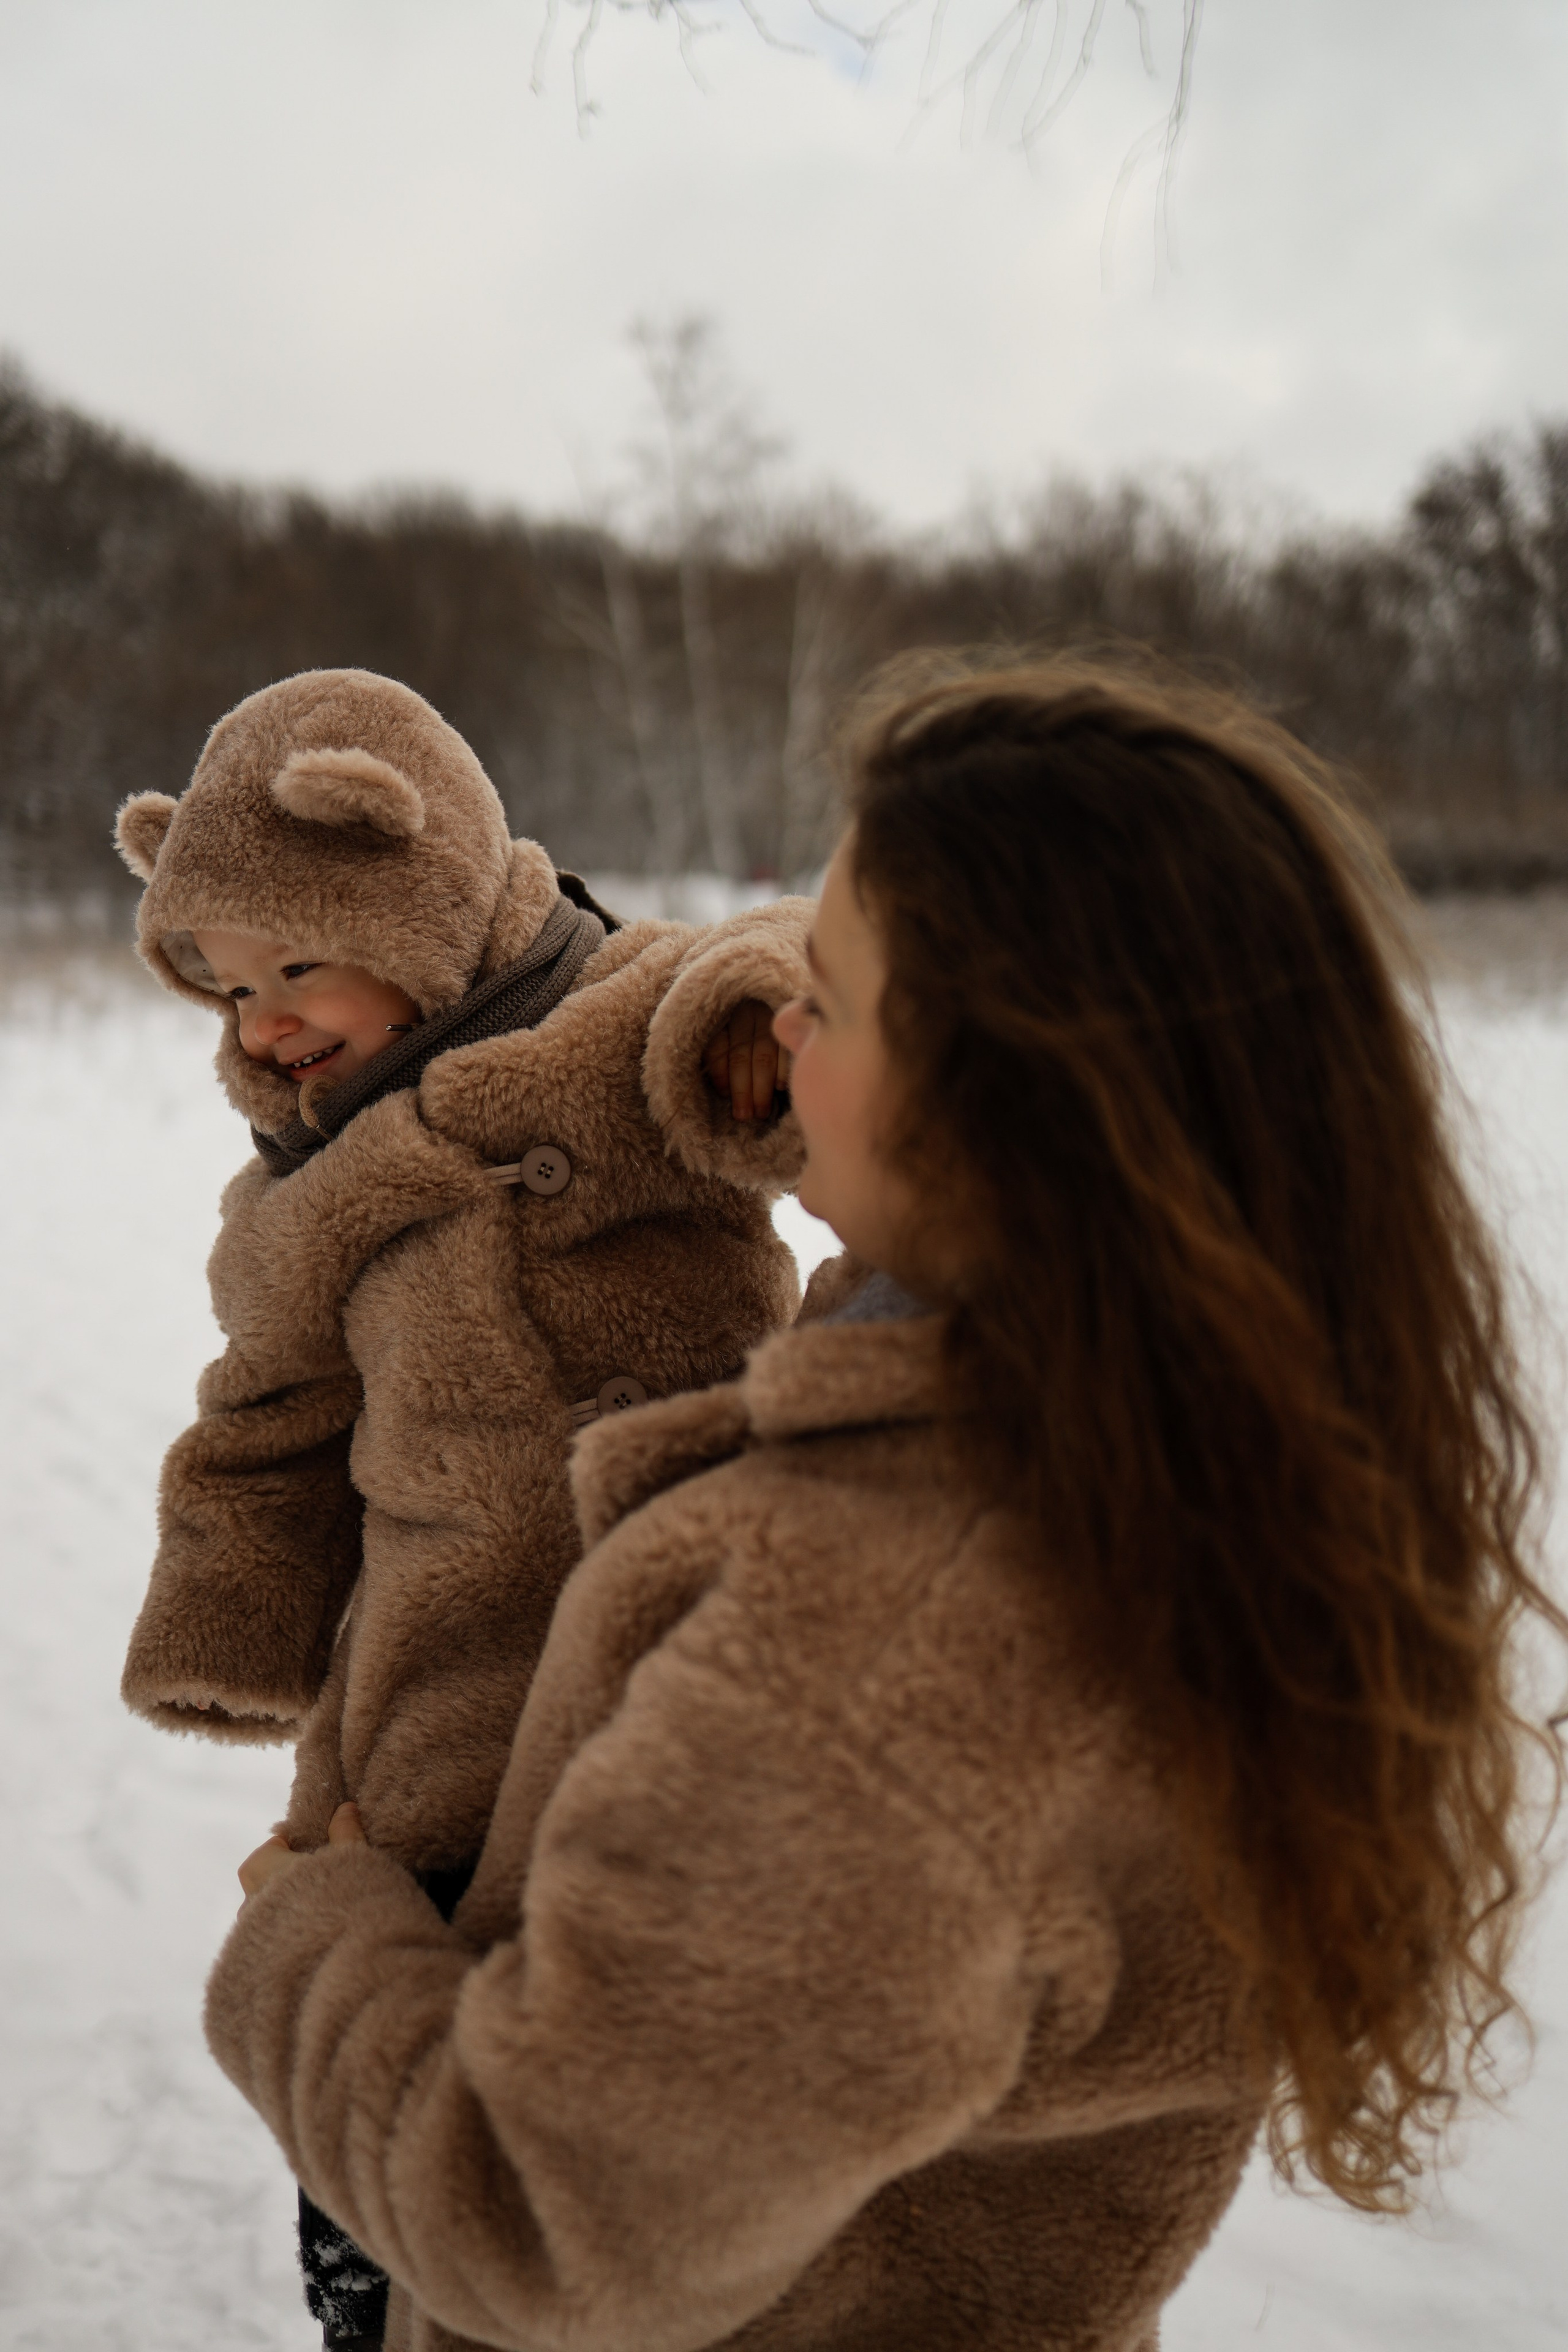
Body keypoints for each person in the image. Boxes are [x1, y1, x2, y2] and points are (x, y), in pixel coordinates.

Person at [211, 658, 1563, 2352]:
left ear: (1004, 1088)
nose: (780, 1025)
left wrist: (315, 1939)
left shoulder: (873, 1654)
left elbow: (554, 2220)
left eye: (833, 998)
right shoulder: (1190, 1441)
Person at [112, 666, 811, 2346]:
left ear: (412, 891)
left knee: (600, 2145)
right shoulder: (304, 1188)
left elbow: (766, 969)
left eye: (297, 965)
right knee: (386, 2177)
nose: (264, 1020)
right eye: (224, 987)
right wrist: (232, 1623)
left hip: (680, 1677)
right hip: (422, 1712)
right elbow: (269, 1418)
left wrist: (748, 1049)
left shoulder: (622, 1022)